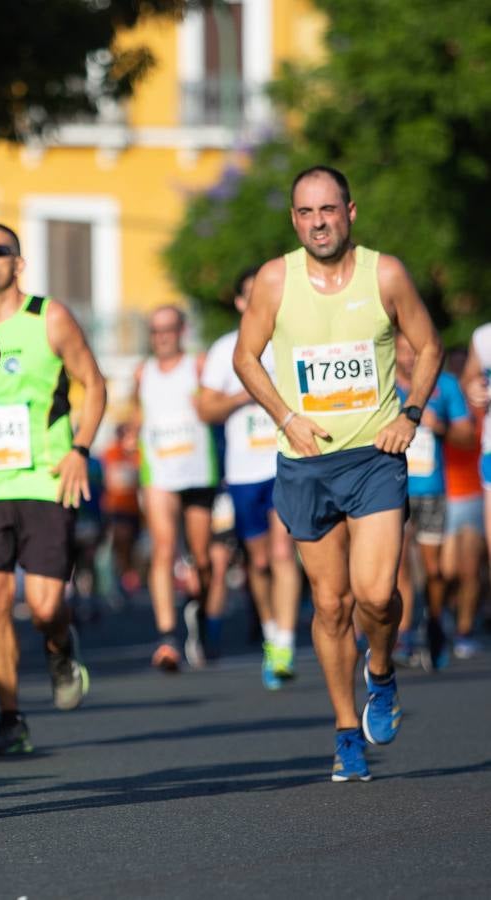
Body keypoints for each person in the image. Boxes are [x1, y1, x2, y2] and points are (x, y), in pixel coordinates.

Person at [235, 165, 441, 782]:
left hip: (374, 458)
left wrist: (410, 412)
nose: (318, 222)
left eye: (328, 210)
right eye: (305, 212)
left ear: (349, 212)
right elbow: (245, 356)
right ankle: (346, 729)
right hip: (306, 464)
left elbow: (428, 347)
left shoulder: (387, 273)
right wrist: (285, 416)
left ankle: (381, 672)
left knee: (376, 596)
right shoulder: (276, 279)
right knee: (330, 606)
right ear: (294, 219)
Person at [0, 222, 106, 755]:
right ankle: (9, 717)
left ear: (18, 263)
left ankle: (61, 647)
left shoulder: (50, 317)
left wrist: (80, 449)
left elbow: (94, 382)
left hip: (45, 479)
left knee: (43, 607)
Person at [198, 265, 302, 689]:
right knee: (258, 560)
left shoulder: (291, 339)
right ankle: (269, 628)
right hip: (243, 471)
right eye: (250, 294)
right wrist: (250, 391)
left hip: (285, 460)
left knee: (282, 552)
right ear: (241, 302)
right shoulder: (226, 349)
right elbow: (205, 409)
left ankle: (285, 642)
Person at [133, 306, 217, 671]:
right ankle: (167, 637)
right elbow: (136, 415)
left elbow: (214, 407)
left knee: (201, 557)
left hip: (198, 470)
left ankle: (198, 615)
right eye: (155, 330)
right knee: (164, 549)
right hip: (160, 472)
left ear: (181, 330)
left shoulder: (198, 366)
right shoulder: (142, 373)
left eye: (168, 329)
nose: (161, 336)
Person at [392, 333, 472, 669]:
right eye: (403, 351)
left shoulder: (446, 385)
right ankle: (403, 634)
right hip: (393, 487)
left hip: (431, 490)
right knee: (397, 566)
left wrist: (438, 427)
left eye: (415, 352)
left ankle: (436, 622)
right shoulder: (380, 385)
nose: (410, 359)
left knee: (435, 569)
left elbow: (466, 435)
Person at [442, 348, 484, 659]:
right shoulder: (439, 398)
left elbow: (471, 440)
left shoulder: (481, 407)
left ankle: (465, 629)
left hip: (471, 494)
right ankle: (442, 614)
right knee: (446, 572)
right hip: (442, 494)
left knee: (469, 570)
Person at [100, 422, 143, 598]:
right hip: (116, 508)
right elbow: (114, 480)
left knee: (132, 547)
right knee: (121, 542)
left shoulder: (140, 454)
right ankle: (120, 580)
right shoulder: (112, 453)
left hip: (136, 509)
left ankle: (128, 578)